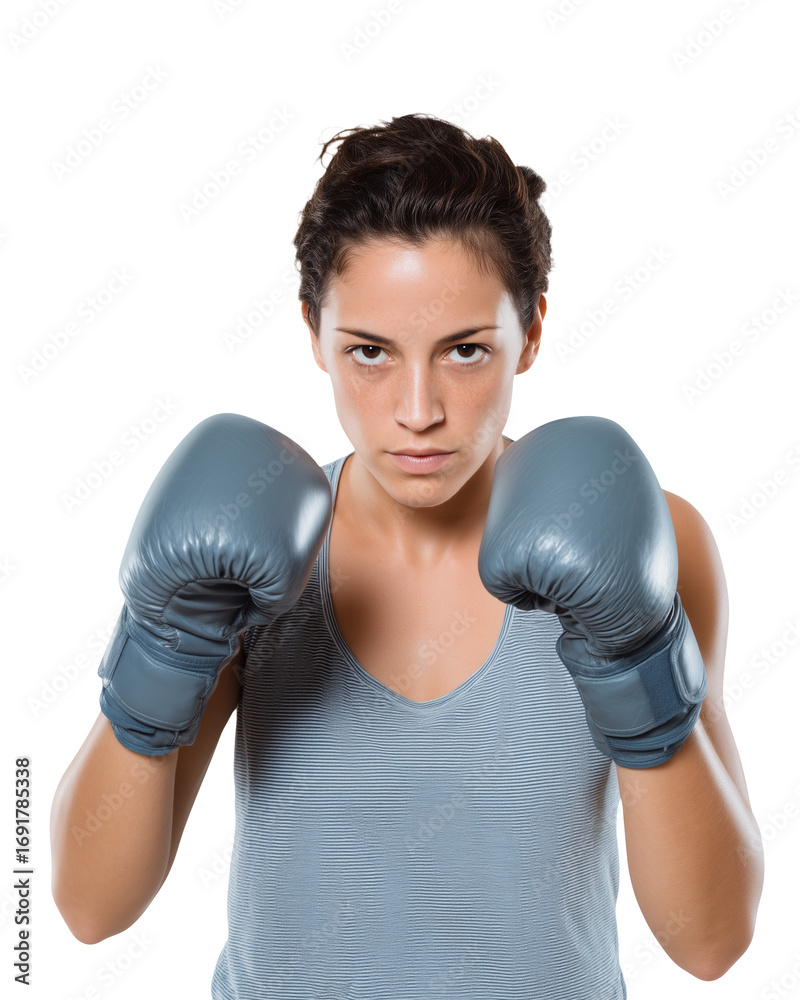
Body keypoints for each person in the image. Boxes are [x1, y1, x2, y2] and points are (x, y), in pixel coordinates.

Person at [50, 113, 763, 997]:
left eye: (465, 351)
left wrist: (636, 660)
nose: (417, 410)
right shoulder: (245, 548)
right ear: (313, 332)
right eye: (370, 353)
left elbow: (711, 944)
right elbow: (90, 910)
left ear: (532, 331)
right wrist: (165, 649)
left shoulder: (652, 536)